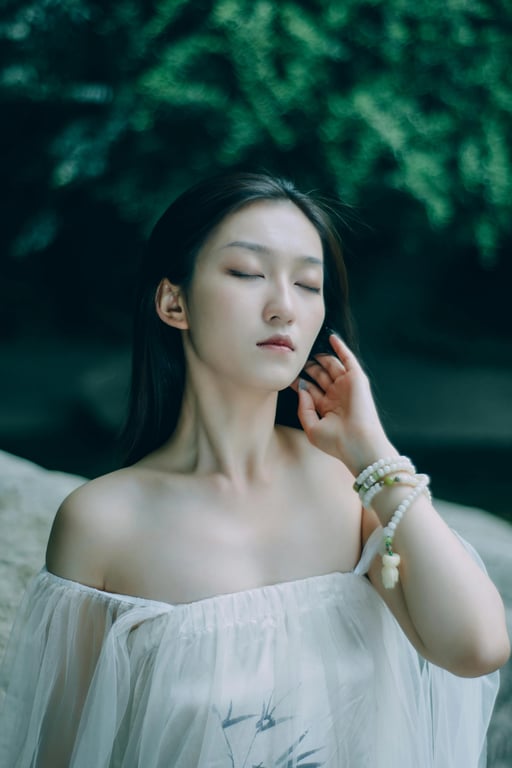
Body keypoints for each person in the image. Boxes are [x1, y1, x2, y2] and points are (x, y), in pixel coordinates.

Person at [0, 172, 509, 768]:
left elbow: (477, 647)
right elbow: (63, 751)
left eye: (308, 283)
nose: (284, 307)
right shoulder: (105, 522)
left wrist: (374, 453)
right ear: (174, 302)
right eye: (247, 273)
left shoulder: (346, 487)